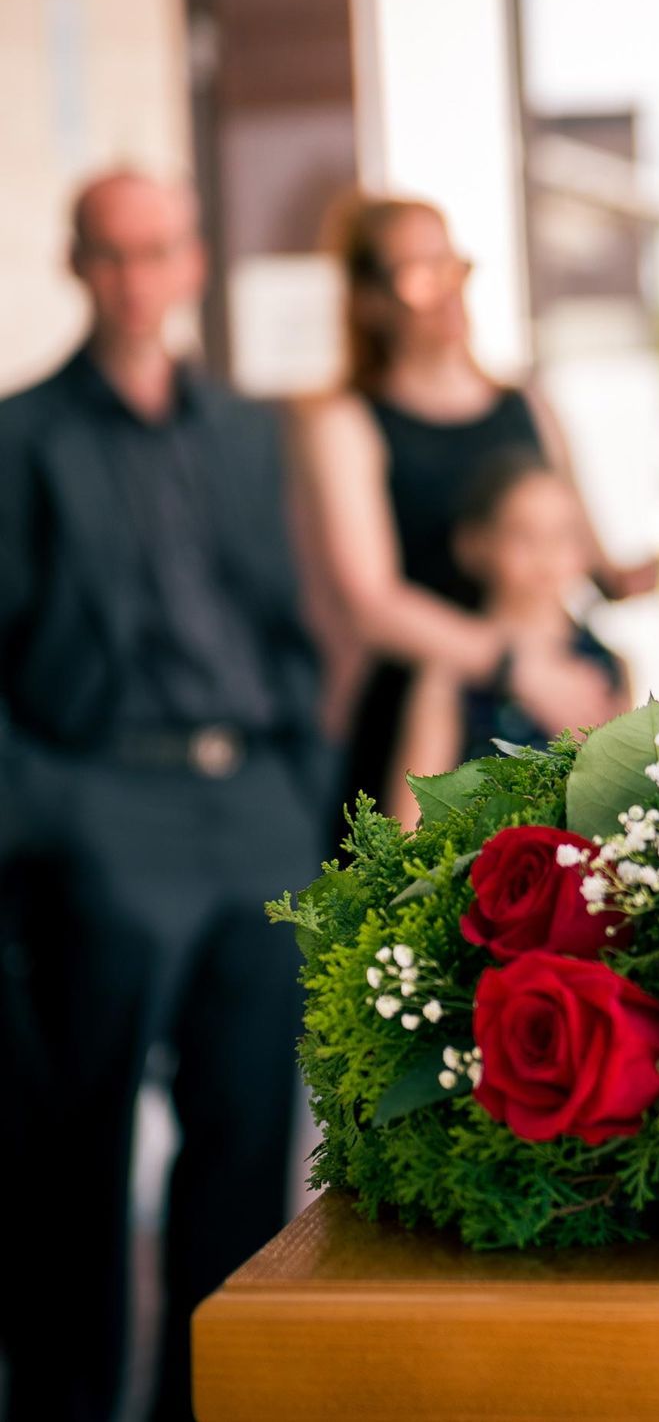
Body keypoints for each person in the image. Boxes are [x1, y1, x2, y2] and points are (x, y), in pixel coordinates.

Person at [0, 169, 322, 1421]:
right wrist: (42, 808)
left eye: (162, 250)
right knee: (76, 1161)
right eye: (115, 254)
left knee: (247, 1147)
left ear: (195, 261)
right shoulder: (22, 436)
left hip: (249, 804)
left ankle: (215, 1404)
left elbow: (283, 620)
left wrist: (299, 783)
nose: (140, 278)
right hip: (99, 808)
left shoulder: (247, 429)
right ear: (79, 265)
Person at [293, 193, 653, 822]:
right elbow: (372, 602)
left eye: (453, 267)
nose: (447, 291)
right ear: (371, 301)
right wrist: (519, 668)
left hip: (552, 683)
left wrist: (627, 578)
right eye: (417, 275)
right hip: (427, 703)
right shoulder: (347, 421)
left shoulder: (527, 404)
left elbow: (589, 555)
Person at [388, 450, 628, 825]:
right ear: (474, 544)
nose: (546, 554)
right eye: (523, 534)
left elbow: (621, 798)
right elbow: (409, 819)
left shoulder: (609, 665)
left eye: (562, 535)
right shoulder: (450, 671)